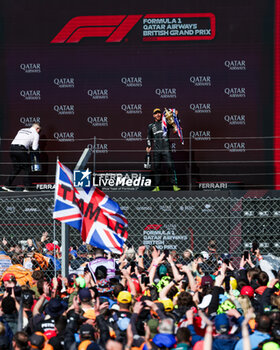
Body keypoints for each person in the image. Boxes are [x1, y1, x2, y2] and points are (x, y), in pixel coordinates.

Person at [146, 108, 181, 192]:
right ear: (153, 115)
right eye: (156, 113)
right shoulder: (151, 126)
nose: (158, 114)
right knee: (157, 167)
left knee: (170, 165)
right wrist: (149, 145)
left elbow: (175, 126)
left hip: (166, 148)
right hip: (156, 149)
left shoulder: (165, 123)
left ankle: (174, 185)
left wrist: (176, 115)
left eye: (159, 113)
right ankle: (157, 186)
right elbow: (148, 137)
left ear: (161, 114)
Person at [1, 122, 41, 192]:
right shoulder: (36, 134)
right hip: (21, 150)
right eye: (39, 131)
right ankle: (27, 188)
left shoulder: (22, 129)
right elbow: (34, 148)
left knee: (16, 168)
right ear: (37, 129)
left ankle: (6, 185)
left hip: (12, 148)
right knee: (27, 168)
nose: (39, 132)